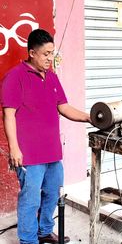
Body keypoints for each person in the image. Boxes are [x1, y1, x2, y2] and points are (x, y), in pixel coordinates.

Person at [1, 29, 91, 244]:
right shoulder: (15, 77)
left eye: (52, 53)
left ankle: (44, 232)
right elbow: (8, 115)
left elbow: (64, 107)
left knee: (52, 194)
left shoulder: (51, 77)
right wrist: (14, 148)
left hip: (52, 152)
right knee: (30, 200)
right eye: (46, 54)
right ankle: (29, 240)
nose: (50, 58)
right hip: (29, 155)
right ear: (32, 53)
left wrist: (90, 118)